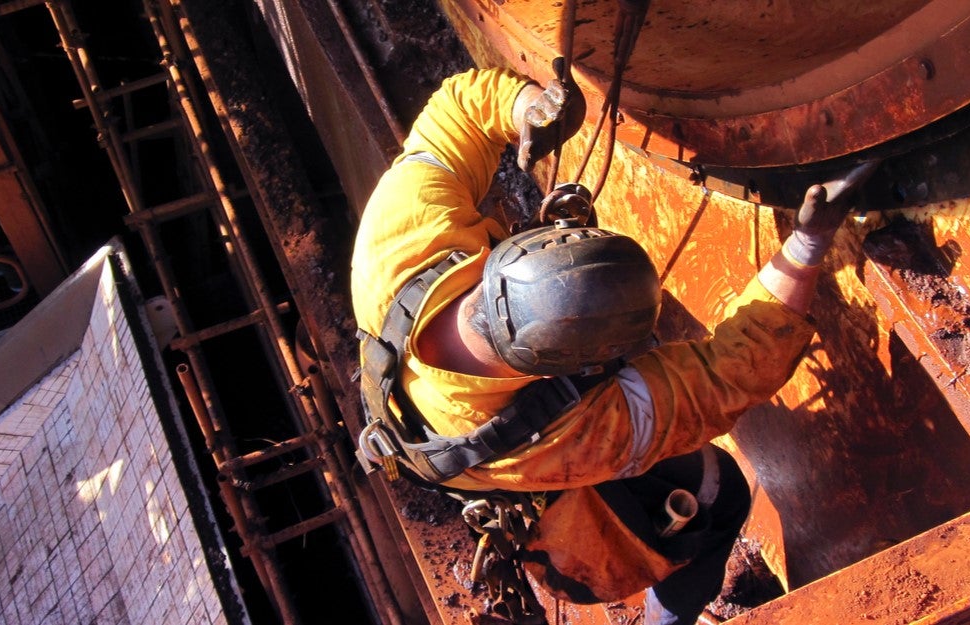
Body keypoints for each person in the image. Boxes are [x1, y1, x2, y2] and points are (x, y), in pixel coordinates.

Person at [351, 67, 866, 625]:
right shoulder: (557, 439)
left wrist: (528, 108)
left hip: (434, 419)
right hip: (543, 495)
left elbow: (453, 114)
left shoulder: (399, 242)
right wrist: (807, 244)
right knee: (720, 498)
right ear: (576, 371)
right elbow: (724, 380)